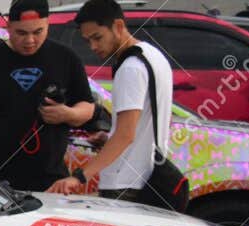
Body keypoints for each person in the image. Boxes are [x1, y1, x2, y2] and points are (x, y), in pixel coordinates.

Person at [0, 0, 96, 192]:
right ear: (8, 26)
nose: (30, 40)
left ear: (48, 24)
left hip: (50, 182)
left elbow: (87, 106)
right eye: (21, 33)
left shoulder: (66, 58)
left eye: (38, 32)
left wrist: (68, 114)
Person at [46, 0, 175, 202]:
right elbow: (145, 124)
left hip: (124, 182)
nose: (93, 47)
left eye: (98, 37)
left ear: (118, 26)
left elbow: (126, 135)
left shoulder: (130, 68)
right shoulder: (154, 56)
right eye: (87, 40)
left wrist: (79, 177)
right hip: (147, 176)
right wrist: (108, 139)